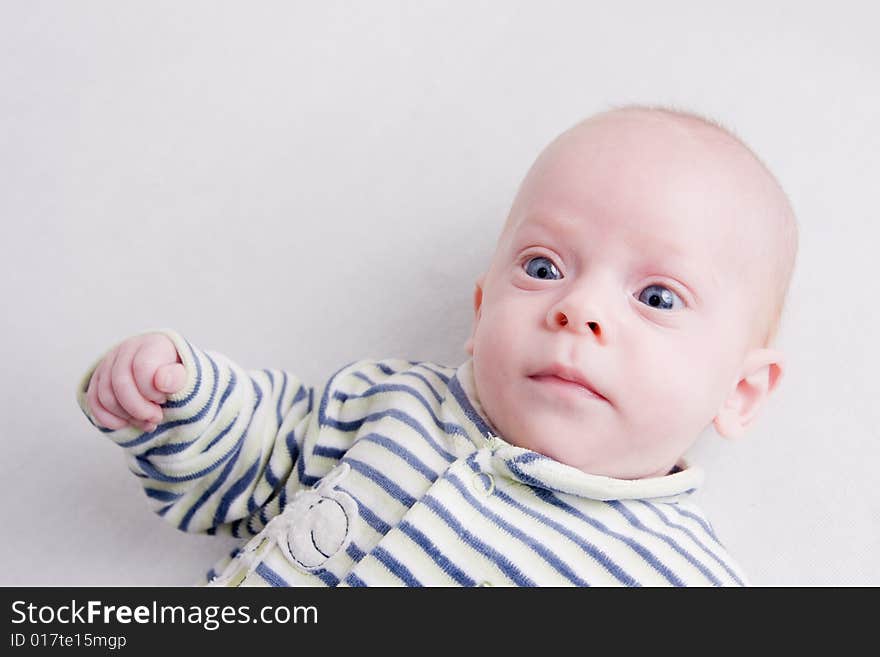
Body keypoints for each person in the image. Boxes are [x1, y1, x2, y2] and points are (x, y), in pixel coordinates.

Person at [75, 106, 798, 586]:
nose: (579, 309)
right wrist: (180, 400)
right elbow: (257, 460)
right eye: (543, 268)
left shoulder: (675, 577)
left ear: (739, 392)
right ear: (482, 312)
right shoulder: (386, 405)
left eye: (657, 297)